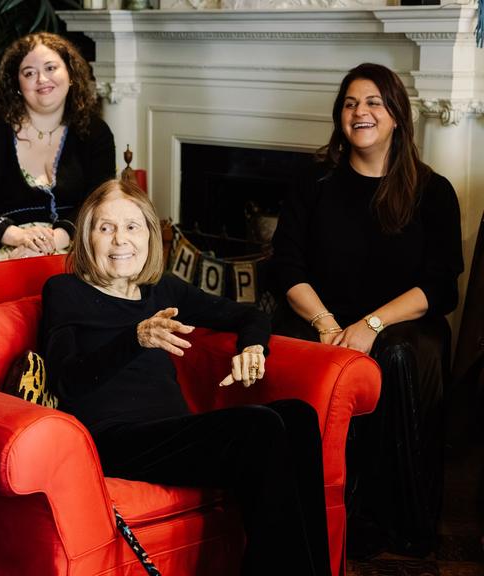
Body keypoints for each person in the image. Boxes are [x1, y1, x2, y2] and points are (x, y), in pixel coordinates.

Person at [41, 177, 332, 576]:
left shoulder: (162, 289)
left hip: (173, 433)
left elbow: (250, 314)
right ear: (87, 237)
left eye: (132, 226)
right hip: (113, 440)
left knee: (298, 416)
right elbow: (66, 381)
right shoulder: (64, 291)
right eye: (105, 227)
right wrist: (135, 338)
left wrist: (252, 348)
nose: (120, 239)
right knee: (260, 428)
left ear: (149, 234)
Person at [270, 62, 463, 558]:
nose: (361, 112)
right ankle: (309, 512)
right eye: (351, 103)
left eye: (374, 102)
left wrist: (372, 324)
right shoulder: (313, 182)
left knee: (395, 356)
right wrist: (326, 323)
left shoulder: (432, 190)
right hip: (322, 316)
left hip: (401, 322)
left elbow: (440, 286)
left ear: (397, 114)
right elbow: (286, 266)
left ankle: (389, 518)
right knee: (291, 345)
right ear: (340, 115)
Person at [0, 32, 115, 264]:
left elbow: (100, 201)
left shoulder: (95, 132)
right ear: (16, 83)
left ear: (70, 74)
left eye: (51, 68)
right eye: (29, 73)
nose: (42, 79)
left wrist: (55, 240)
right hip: (2, 244)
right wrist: (18, 237)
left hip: (71, 241)